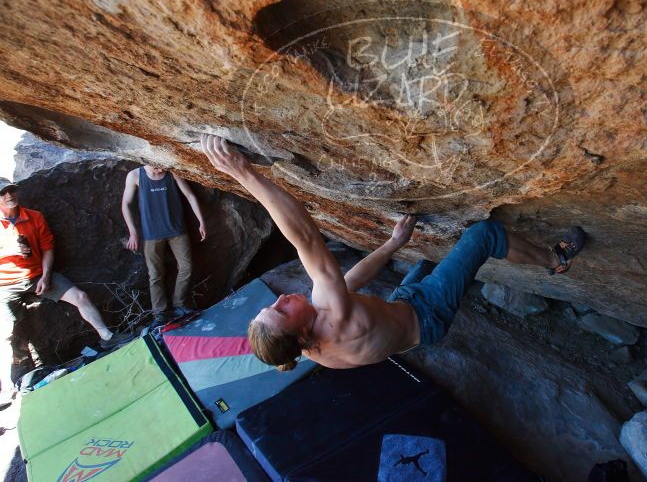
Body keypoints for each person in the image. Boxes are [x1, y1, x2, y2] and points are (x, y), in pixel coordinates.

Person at [201, 135, 587, 371]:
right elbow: (306, 238)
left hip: (406, 315)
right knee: (483, 234)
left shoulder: (313, 350)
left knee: (424, 262)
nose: (282, 299)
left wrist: (393, 244)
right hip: (428, 312)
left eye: (271, 304)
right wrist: (244, 174)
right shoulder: (332, 315)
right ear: (301, 333)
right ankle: (556, 260)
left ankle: (427, 272)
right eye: (282, 311)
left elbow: (347, 284)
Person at [0, 178, 133, 405]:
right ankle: (5, 388)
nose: (9, 196)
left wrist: (46, 276)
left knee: (80, 296)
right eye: (3, 193)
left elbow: (47, 248)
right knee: (5, 333)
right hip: (5, 284)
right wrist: (9, 248)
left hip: (36, 276)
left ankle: (108, 337)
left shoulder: (34, 216)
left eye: (11, 190)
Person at [121, 165, 207, 327]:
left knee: (186, 267)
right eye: (157, 167)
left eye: (162, 167)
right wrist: (133, 232)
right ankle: (159, 313)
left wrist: (201, 221)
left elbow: (189, 195)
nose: (161, 170)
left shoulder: (172, 171)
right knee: (155, 274)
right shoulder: (135, 176)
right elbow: (126, 203)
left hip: (177, 230)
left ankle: (179, 304)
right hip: (151, 234)